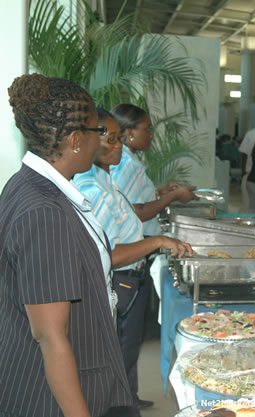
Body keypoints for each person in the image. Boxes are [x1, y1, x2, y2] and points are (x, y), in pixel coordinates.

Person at [0, 74, 133, 416]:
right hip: (51, 397)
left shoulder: (33, 186)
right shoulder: (44, 211)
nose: (100, 142)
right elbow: (50, 336)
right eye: (96, 132)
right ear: (76, 140)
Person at [74, 109, 194, 412]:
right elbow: (108, 254)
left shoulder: (105, 177)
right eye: (112, 140)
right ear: (88, 142)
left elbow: (126, 213)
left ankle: (125, 400)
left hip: (130, 275)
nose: (119, 147)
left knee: (124, 351)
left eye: (119, 139)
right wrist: (157, 241)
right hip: (120, 278)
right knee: (118, 355)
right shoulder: (92, 188)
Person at [109, 103, 198, 238]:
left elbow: (125, 198)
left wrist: (158, 193)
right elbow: (135, 213)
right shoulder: (128, 164)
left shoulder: (123, 158)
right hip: (138, 239)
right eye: (147, 129)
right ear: (130, 133)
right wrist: (173, 196)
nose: (151, 135)